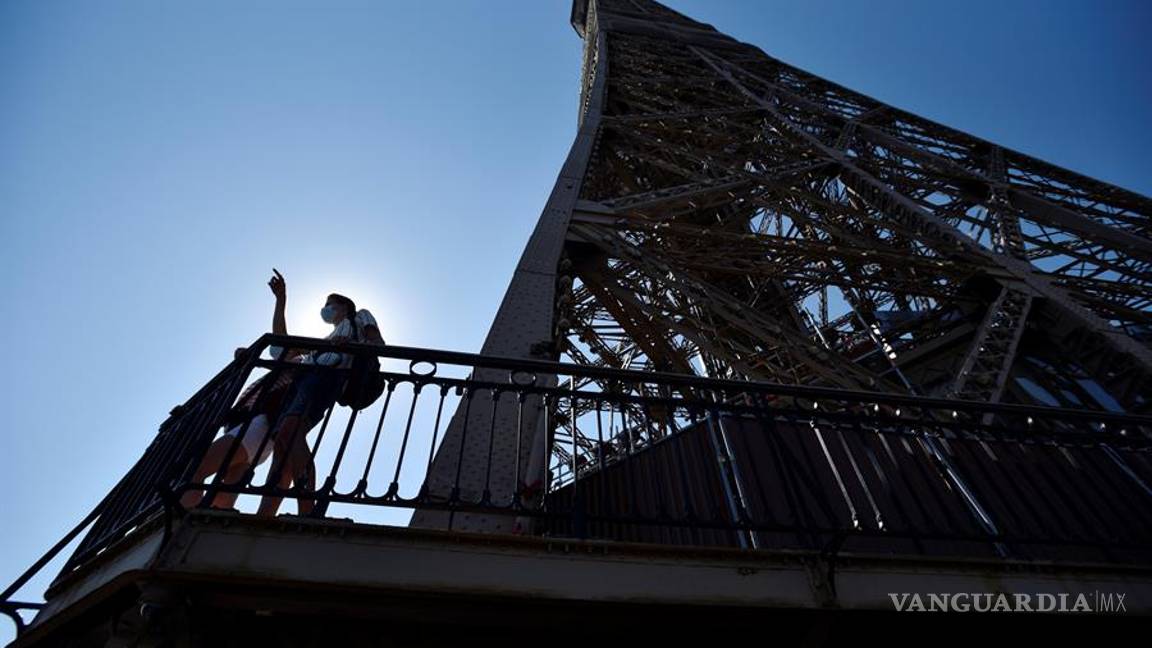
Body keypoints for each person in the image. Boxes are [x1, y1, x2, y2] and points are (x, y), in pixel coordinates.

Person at [256, 268, 384, 518]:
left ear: (343, 306)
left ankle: (308, 511)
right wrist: (281, 301)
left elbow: (378, 344)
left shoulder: (358, 318)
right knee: (284, 441)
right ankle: (265, 514)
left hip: (326, 378)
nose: (325, 309)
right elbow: (281, 346)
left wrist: (354, 345)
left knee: (290, 433)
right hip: (302, 383)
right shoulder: (324, 339)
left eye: (329, 305)